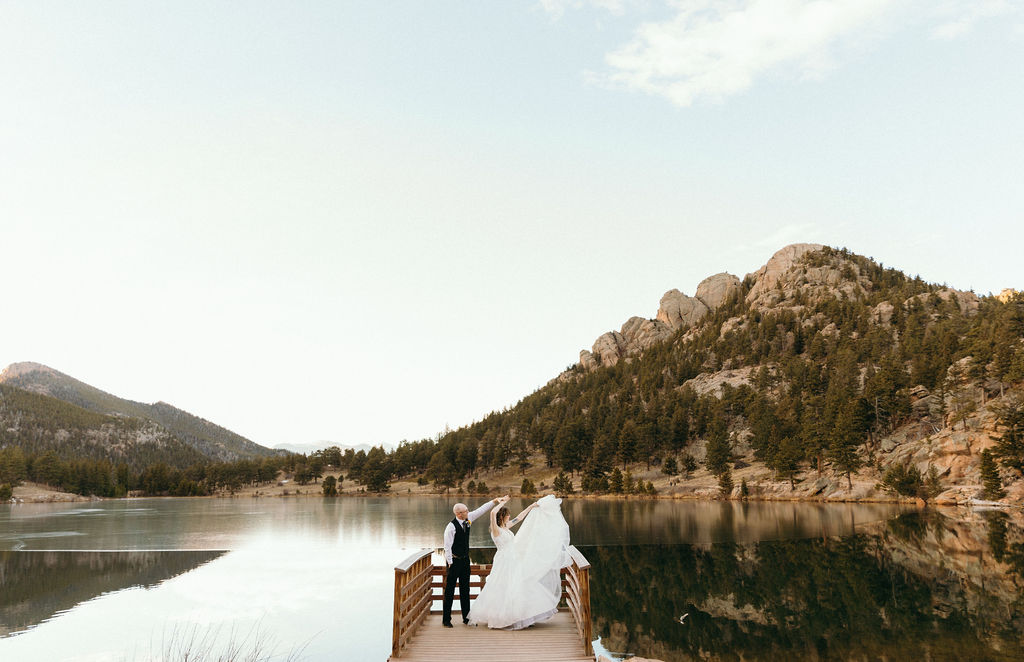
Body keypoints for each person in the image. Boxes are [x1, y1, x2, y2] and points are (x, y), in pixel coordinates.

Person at [468, 494, 571, 630]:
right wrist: (501, 502)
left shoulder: (507, 527)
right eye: (507, 515)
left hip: (514, 559)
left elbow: (520, 517)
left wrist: (531, 506)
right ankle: (505, 617)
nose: (509, 517)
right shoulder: (496, 530)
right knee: (505, 587)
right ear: (502, 516)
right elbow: (492, 513)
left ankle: (522, 615)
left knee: (520, 585)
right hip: (504, 561)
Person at [442, 496, 507, 627]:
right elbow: (447, 546)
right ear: (459, 513)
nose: (468, 511)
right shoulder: (451, 527)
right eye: (466, 510)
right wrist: (450, 562)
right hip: (454, 561)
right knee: (449, 591)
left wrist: (495, 501)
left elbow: (481, 510)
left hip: (465, 561)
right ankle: (446, 620)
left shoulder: (468, 519)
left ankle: (467, 618)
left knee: (465, 590)